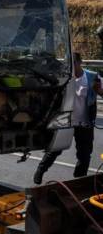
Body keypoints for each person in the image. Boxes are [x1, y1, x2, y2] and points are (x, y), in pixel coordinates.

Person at [34, 52, 103, 184]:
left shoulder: (92, 77)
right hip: (66, 121)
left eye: (74, 64)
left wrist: (99, 90)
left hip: (85, 122)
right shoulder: (63, 77)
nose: (71, 67)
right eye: (68, 64)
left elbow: (102, 92)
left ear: (79, 62)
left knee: (84, 155)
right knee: (55, 149)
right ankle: (40, 170)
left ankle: (79, 180)